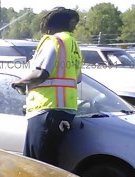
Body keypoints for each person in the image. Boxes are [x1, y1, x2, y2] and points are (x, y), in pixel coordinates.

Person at [12, 7, 82, 165]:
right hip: (67, 110)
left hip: (47, 110)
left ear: (51, 25)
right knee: (50, 161)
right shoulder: (73, 45)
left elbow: (41, 73)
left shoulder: (53, 42)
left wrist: (20, 82)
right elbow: (77, 79)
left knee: (38, 164)